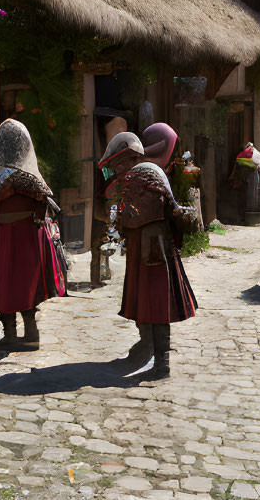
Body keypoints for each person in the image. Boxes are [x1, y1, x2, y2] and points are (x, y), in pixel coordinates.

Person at [100, 130, 197, 379]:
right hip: (156, 247)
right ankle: (149, 350)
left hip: (151, 249)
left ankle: (162, 364)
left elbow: (133, 216)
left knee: (155, 304)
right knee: (152, 302)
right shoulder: (151, 171)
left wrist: (120, 223)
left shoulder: (141, 174)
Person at [0, 119, 65, 351]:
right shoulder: (34, 179)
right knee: (28, 285)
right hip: (31, 238)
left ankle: (11, 336)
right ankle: (32, 334)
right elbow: (45, 205)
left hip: (5, 237)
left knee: (3, 283)